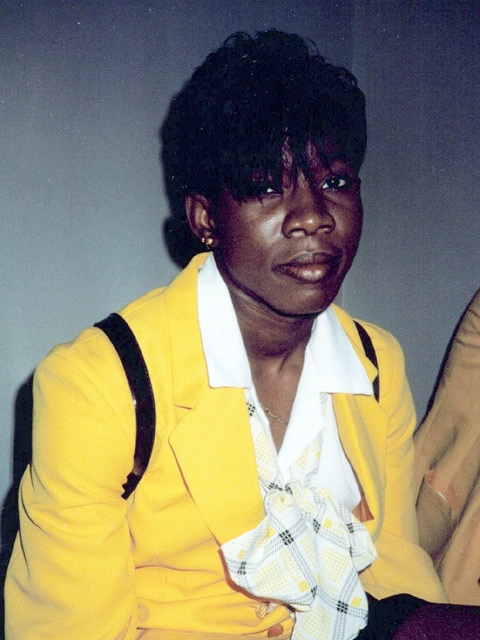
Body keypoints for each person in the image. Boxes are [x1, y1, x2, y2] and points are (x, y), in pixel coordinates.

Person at [5, 30, 479, 640]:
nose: (314, 216)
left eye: (336, 182)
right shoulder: (99, 384)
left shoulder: (375, 361)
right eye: (267, 186)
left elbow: (394, 566)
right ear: (205, 218)